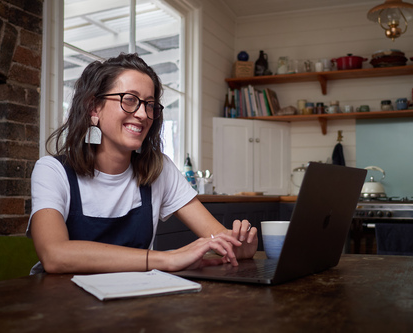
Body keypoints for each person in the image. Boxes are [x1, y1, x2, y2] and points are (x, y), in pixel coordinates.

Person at [27, 53, 257, 274]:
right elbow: (54, 255)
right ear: (93, 107)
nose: (143, 114)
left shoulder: (159, 169)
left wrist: (240, 245)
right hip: (62, 303)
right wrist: (168, 259)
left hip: (132, 303)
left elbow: (218, 236)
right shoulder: (52, 171)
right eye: (129, 100)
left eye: (149, 105)